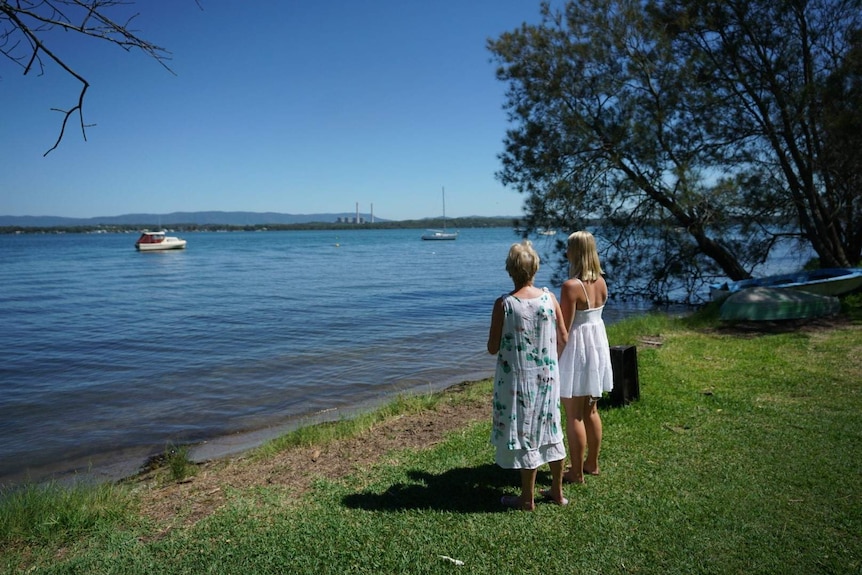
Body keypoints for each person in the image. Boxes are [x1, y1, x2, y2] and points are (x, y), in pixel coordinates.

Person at [487, 240, 569, 510]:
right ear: (535, 268)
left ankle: (526, 498)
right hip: (547, 375)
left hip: (518, 381)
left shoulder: (505, 304)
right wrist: (550, 361)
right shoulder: (549, 298)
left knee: (525, 431)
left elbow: (492, 347)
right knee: (551, 426)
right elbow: (563, 336)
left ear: (510, 270)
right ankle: (556, 492)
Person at [558, 230, 613, 484]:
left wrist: (554, 358)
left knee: (574, 414)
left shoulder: (571, 286)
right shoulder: (602, 282)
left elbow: (564, 330)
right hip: (597, 347)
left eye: (568, 248)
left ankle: (576, 472)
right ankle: (592, 463)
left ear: (576, 253)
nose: (565, 252)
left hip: (578, 350)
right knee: (591, 409)